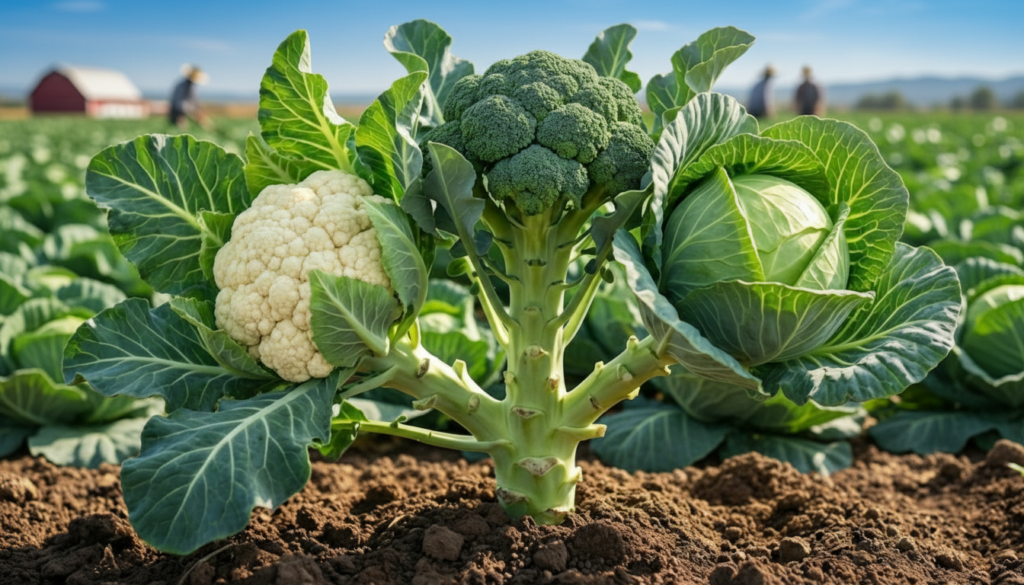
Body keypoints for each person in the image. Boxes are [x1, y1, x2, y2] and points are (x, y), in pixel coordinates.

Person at [169, 64, 211, 129]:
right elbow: (188, 101)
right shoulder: (187, 85)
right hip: (179, 109)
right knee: (181, 127)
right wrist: (197, 110)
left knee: (179, 128)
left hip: (179, 108)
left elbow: (193, 100)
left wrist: (198, 108)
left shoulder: (185, 84)